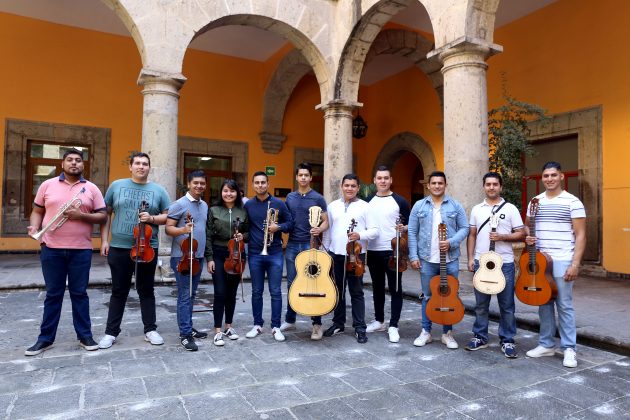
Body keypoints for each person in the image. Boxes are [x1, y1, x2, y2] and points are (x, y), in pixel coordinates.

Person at [25, 148, 107, 356]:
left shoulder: (91, 189)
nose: (74, 163)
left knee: (80, 294)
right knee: (53, 295)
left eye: (78, 160)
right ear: (62, 164)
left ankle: (84, 335)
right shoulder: (47, 185)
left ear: (83, 165)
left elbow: (103, 217)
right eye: (69, 160)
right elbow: (37, 211)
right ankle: (45, 339)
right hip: (51, 248)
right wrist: (35, 228)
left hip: (81, 250)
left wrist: (80, 215)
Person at [98, 152, 171, 349]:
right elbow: (106, 214)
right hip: (119, 247)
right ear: (130, 166)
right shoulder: (116, 186)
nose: (141, 166)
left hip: (148, 248)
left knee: (146, 290)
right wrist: (104, 240)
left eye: (145, 164)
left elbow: (168, 216)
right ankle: (111, 333)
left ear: (149, 167)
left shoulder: (159, 190)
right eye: (137, 163)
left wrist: (152, 219)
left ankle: (150, 329)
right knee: (118, 291)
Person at [524, 161, 586, 368]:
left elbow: (581, 235)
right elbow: (527, 227)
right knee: (543, 302)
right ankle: (546, 344)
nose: (549, 179)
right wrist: (528, 237)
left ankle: (569, 348)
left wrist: (575, 264)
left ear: (561, 177)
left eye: (553, 175)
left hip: (563, 258)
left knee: (565, 305)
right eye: (545, 176)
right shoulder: (535, 201)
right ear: (541, 178)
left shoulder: (573, 202)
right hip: (540, 260)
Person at [466, 172, 525, 358]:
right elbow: (472, 235)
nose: (491, 187)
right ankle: (480, 336)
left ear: (501, 187)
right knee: (481, 304)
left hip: (504, 263)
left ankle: (507, 340)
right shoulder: (477, 209)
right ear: (484, 186)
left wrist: (502, 237)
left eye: (495, 184)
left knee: (506, 305)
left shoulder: (511, 209)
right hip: (481, 262)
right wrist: (470, 258)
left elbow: (521, 233)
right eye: (488, 184)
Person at [408, 171, 469, 349]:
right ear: (428, 185)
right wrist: (413, 256)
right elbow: (412, 231)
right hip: (427, 259)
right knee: (428, 296)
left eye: (440, 183)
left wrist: (451, 242)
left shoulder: (455, 205)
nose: (436, 186)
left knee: (450, 295)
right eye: (433, 183)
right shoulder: (419, 206)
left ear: (445, 185)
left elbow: (464, 228)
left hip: (450, 259)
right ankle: (426, 332)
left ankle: (447, 333)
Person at [322, 173, 377, 344]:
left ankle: (360, 327)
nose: (350, 189)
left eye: (353, 186)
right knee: (338, 291)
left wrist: (360, 234)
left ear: (358, 188)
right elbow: (329, 230)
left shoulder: (365, 207)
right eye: (347, 185)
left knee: (357, 291)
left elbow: (375, 230)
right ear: (342, 186)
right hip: (336, 254)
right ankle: (338, 323)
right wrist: (326, 250)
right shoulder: (332, 206)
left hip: (355, 255)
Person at [279, 162, 329, 340]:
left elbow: (326, 221)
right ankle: (290, 319)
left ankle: (316, 324)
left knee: (313, 282)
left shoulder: (318, 198)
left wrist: (320, 229)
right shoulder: (290, 197)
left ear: (310, 178)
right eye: (300, 175)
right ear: (297, 177)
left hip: (311, 245)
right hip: (292, 245)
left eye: (306, 175)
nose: (303, 178)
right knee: (292, 283)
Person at [244, 171, 293, 341]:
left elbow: (290, 224)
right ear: (252, 185)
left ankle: (275, 327)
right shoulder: (248, 205)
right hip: (255, 253)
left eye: (263, 182)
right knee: (256, 291)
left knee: (275, 291)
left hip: (275, 253)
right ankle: (257, 325)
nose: (260, 185)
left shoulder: (279, 203)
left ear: (268, 184)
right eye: (257, 183)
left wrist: (277, 227)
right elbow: (245, 228)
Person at [165, 170, 209, 351]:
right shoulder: (179, 204)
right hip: (181, 257)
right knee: (185, 295)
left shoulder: (204, 205)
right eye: (196, 183)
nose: (199, 186)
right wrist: (183, 231)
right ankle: (184, 334)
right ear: (189, 183)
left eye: (202, 183)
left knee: (191, 294)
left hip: (198, 257)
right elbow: (168, 228)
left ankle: (188, 327)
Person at [365, 166, 410, 343]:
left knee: (395, 288)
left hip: (394, 251)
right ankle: (379, 321)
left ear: (391, 180)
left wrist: (403, 228)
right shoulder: (367, 200)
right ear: (374, 181)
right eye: (379, 178)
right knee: (377, 288)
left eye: (386, 178)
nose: (383, 181)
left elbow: (410, 224)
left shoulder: (400, 200)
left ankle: (394, 325)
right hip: (373, 250)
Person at [205, 179, 249, 347]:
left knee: (231, 292)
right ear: (221, 192)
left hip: (237, 254)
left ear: (237, 193)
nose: (228, 194)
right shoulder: (214, 210)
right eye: (225, 191)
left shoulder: (243, 212)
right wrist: (209, 259)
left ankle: (229, 326)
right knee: (220, 292)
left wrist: (242, 237)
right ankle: (217, 330)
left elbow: (249, 232)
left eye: (232, 191)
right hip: (218, 252)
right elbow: (208, 235)